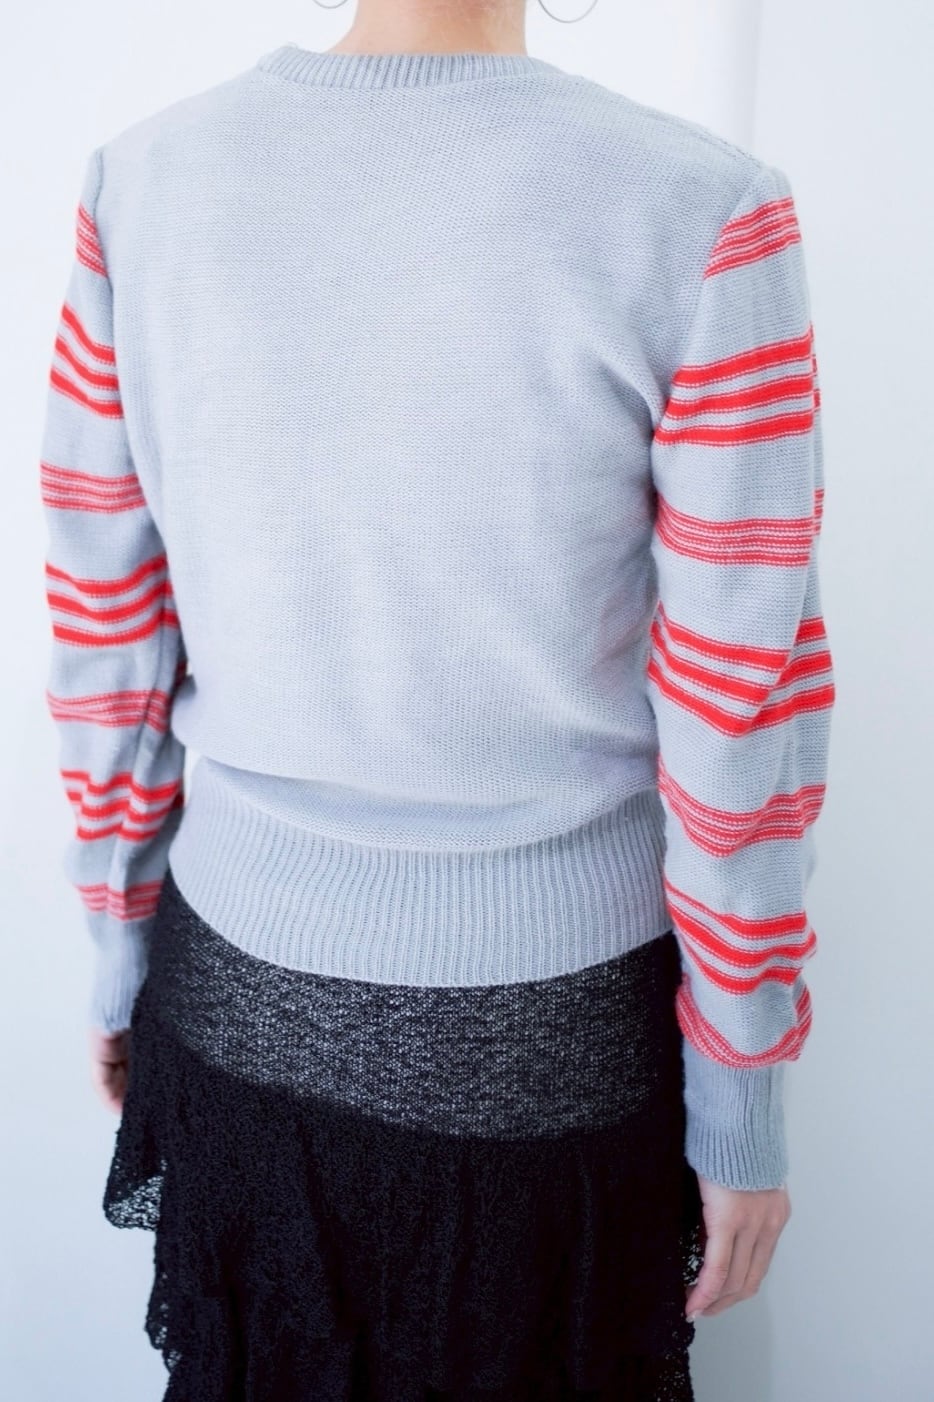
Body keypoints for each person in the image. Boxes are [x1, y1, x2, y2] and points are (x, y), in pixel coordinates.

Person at [40, 0, 834, 1396]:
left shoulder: (146, 182)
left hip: (236, 1003)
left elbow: (107, 627)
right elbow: (740, 714)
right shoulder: (701, 208)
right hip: (552, 1051)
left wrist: (116, 940)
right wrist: (742, 1090)